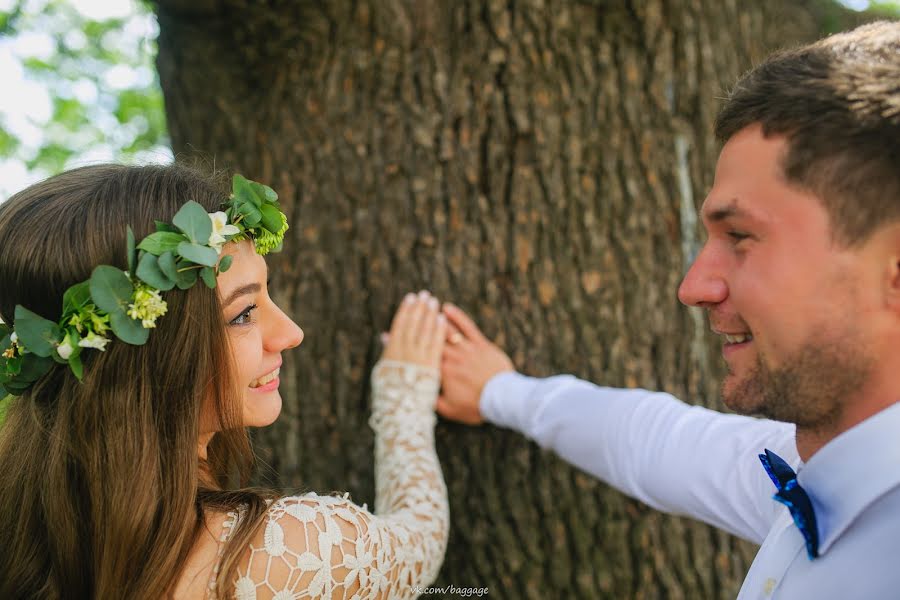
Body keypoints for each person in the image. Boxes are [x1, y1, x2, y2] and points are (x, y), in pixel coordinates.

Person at [436, 20, 900, 599]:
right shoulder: (825, 471)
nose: (693, 287)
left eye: (741, 236)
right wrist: (499, 392)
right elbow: (658, 443)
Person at [0, 164, 449, 599]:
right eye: (243, 314)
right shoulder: (291, 556)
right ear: (145, 355)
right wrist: (402, 396)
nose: (292, 334)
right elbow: (422, 540)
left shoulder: (21, 535)